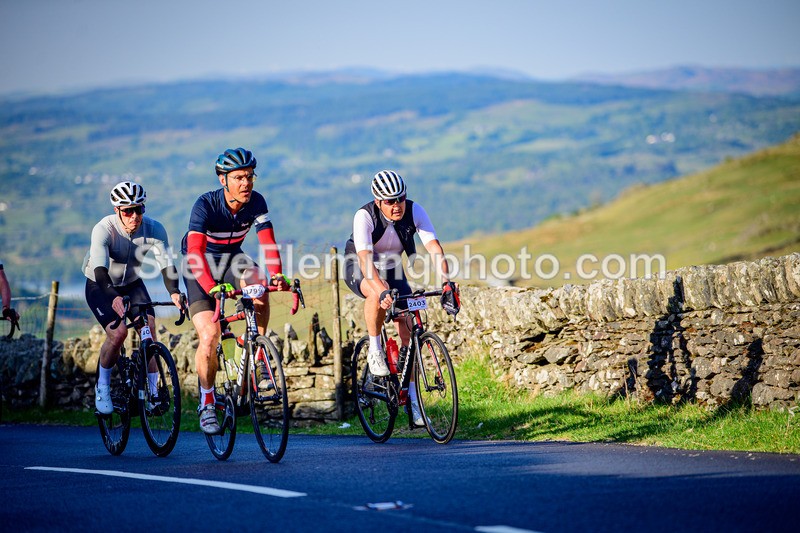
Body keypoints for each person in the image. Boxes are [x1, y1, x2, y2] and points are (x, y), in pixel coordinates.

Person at [182, 147, 289, 434]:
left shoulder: (256, 201)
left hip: (233, 259)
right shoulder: (205, 205)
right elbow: (194, 252)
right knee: (209, 334)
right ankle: (206, 403)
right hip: (200, 265)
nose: (246, 183)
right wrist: (211, 287)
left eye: (250, 176)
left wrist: (276, 274)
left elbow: (267, 243)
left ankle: (258, 353)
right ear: (223, 180)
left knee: (259, 283)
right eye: (239, 177)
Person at [344, 170, 460, 427]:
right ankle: (375, 349)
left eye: (401, 199)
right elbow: (365, 260)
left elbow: (433, 246)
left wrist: (446, 282)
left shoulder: (415, 210)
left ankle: (414, 400)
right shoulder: (364, 216)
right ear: (378, 202)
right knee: (378, 288)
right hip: (360, 265)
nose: (397, 205)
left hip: (392, 266)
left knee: (409, 325)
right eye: (389, 201)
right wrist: (381, 290)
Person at [83, 181, 184, 415]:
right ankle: (103, 387)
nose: (134, 216)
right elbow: (99, 269)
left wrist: (175, 293)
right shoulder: (104, 228)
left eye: (139, 209)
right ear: (117, 211)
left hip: (132, 283)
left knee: (149, 327)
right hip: (101, 285)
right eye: (127, 211)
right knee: (118, 333)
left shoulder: (154, 230)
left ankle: (152, 392)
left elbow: (167, 266)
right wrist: (113, 298)